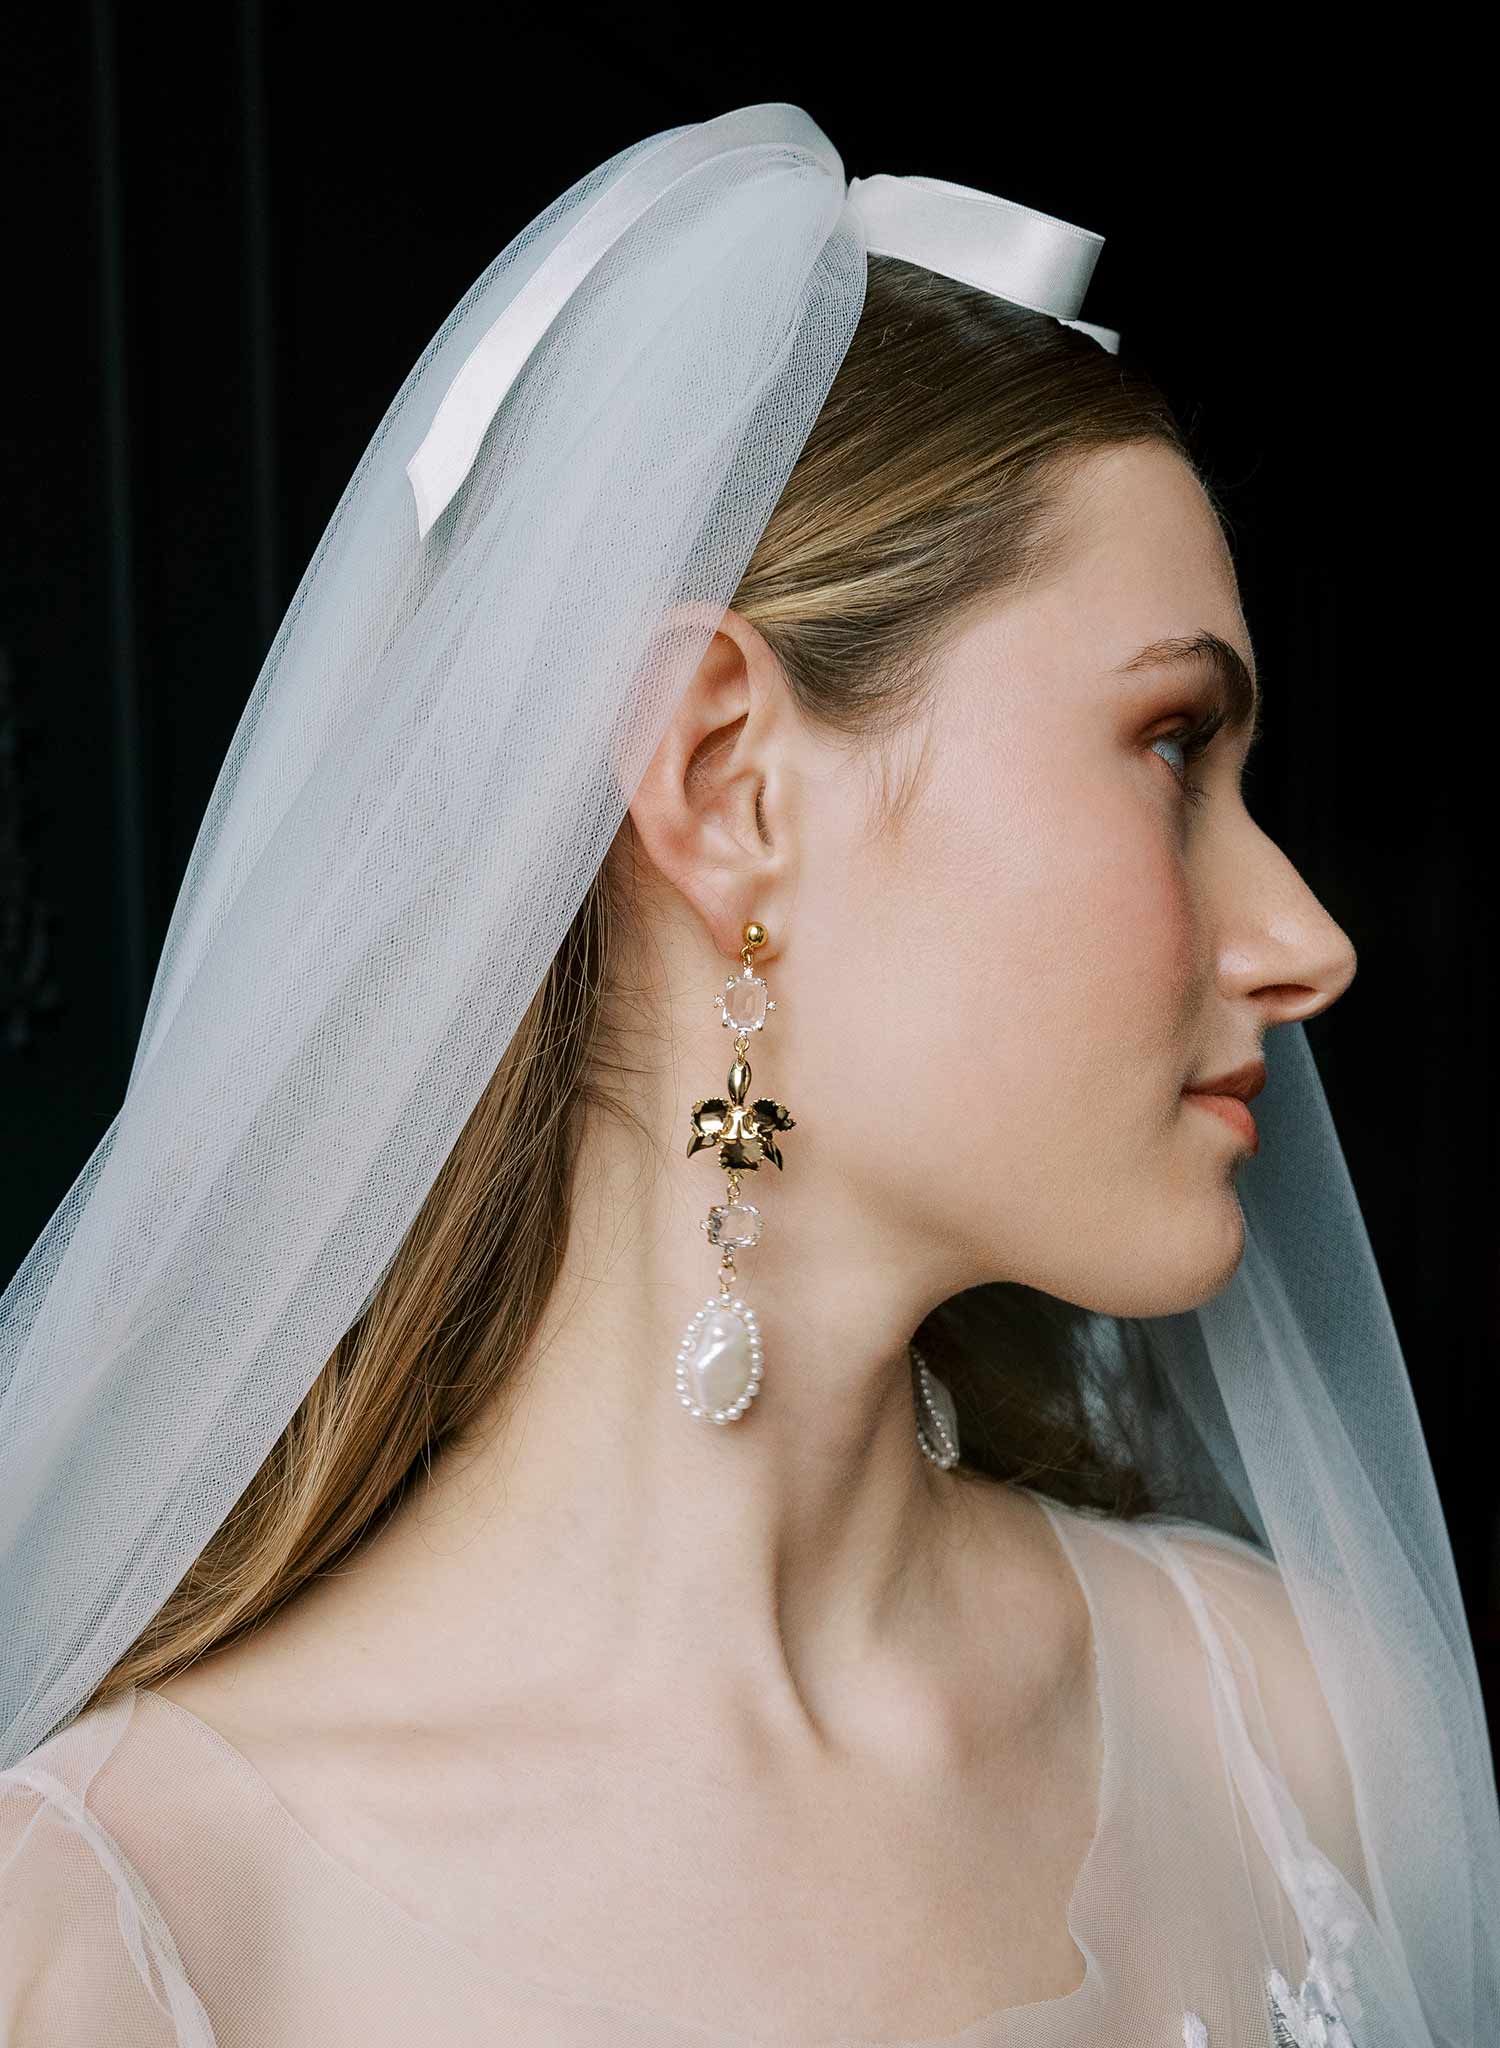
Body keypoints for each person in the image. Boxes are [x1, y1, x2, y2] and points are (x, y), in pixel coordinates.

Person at [1, 104, 1494, 2047]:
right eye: (1169, 751)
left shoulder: (1300, 1737)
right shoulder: (128, 1931)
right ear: (726, 781)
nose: (1303, 933)